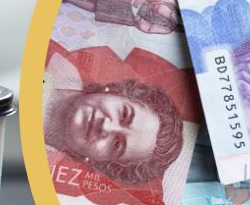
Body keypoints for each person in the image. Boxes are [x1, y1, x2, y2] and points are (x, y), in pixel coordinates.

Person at [43, 72, 185, 186]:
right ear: (116, 92)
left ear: (97, 162)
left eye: (116, 144)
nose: (105, 126)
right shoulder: (55, 65)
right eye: (124, 114)